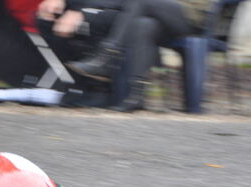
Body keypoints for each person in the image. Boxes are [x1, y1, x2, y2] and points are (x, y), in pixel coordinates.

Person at [62, 0, 220, 112]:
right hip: (161, 14)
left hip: (193, 16)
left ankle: (107, 55)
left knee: (140, 1)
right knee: (142, 25)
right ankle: (137, 95)